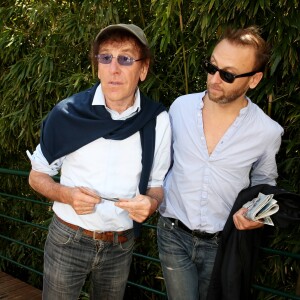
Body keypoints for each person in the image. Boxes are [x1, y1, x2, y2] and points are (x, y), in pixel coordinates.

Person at [27, 23, 171, 300]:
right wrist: (66, 194)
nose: (113, 69)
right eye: (105, 57)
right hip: (68, 238)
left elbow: (156, 186)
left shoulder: (157, 121)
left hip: (120, 244)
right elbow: (36, 176)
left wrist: (151, 204)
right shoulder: (68, 113)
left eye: (125, 59)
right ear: (97, 66)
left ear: (143, 69)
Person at [157, 26, 283, 300]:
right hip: (172, 232)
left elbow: (265, 184)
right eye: (211, 67)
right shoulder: (180, 107)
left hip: (222, 243)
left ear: (254, 79)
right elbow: (160, 163)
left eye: (227, 74)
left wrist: (256, 214)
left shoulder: (267, 131)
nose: (214, 79)